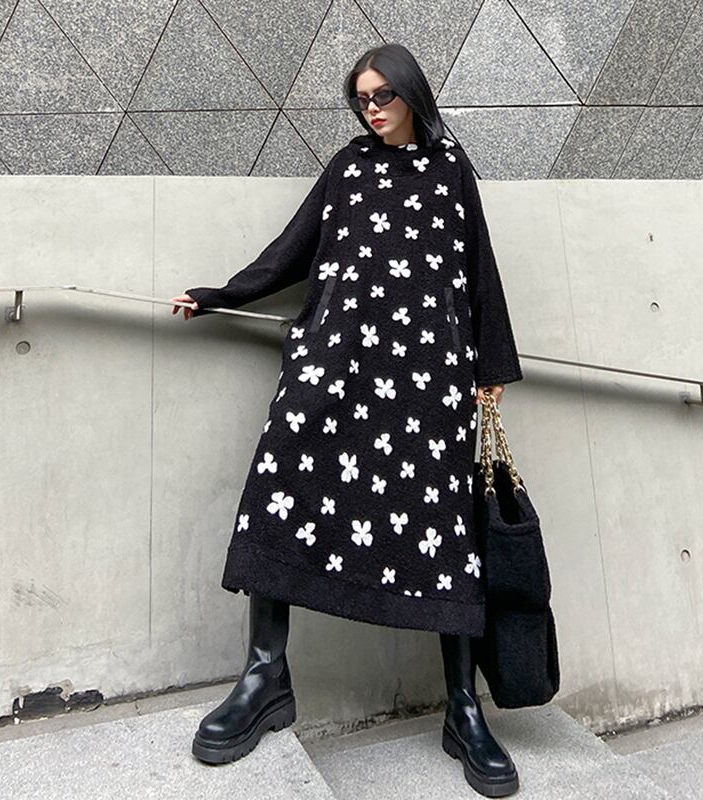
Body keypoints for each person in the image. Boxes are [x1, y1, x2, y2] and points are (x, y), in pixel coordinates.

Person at [171, 43, 523, 798]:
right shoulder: (347, 167)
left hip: (427, 380)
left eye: (383, 95)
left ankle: (463, 708)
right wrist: (221, 294)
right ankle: (265, 676)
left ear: (412, 94)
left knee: (445, 527)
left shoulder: (451, 170)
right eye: (361, 98)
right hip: (332, 365)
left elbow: (480, 269)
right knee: (279, 491)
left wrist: (490, 369)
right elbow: (292, 250)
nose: (372, 108)